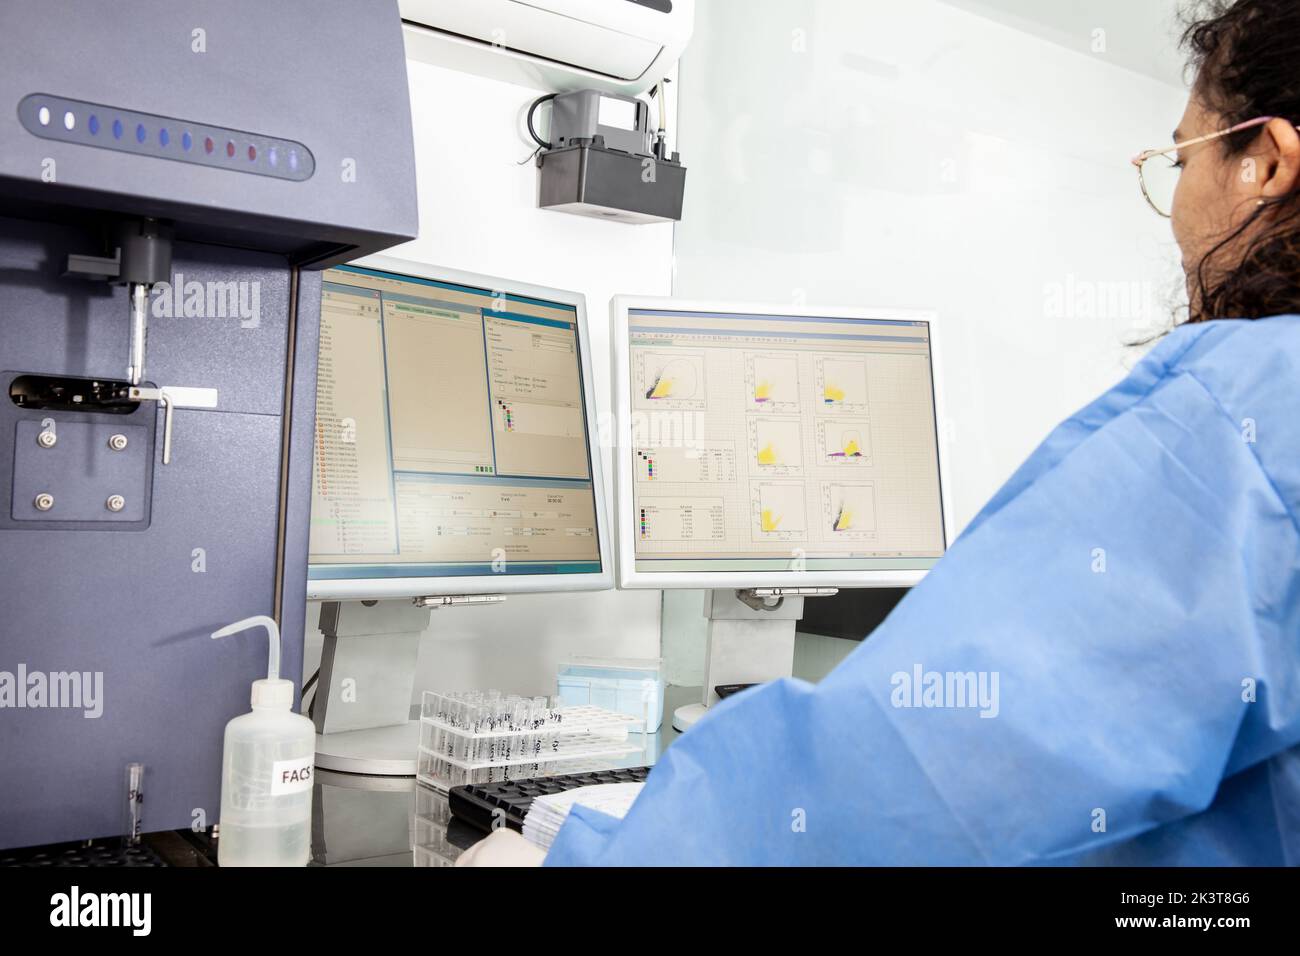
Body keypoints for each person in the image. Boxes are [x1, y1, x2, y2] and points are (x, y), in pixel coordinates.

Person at [459, 0, 1300, 867]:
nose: (1174, 209)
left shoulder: (1242, 416)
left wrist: (577, 856)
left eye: (1181, 160)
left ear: (1266, 164)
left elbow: (905, 789)